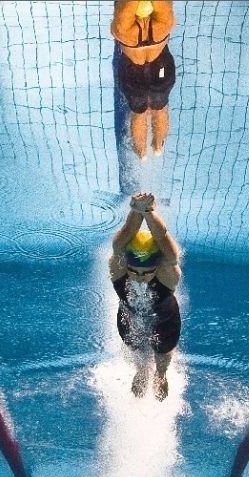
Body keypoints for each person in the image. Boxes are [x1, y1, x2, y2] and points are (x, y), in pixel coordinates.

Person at [109, 192, 182, 400]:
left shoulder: (167, 274)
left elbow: (166, 244)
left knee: (162, 356)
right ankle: (141, 370)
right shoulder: (119, 270)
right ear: (126, 265)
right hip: (130, 319)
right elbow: (122, 240)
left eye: (147, 272)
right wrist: (136, 211)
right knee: (138, 352)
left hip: (166, 321)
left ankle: (161, 374)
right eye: (134, 270)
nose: (139, 277)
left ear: (157, 266)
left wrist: (149, 213)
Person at [111, 1, 176, 161]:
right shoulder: (164, 24)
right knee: (160, 109)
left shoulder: (122, 29)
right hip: (161, 69)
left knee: (138, 114)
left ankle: (141, 153)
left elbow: (124, 9)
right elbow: (165, 5)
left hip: (133, 73)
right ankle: (158, 146)